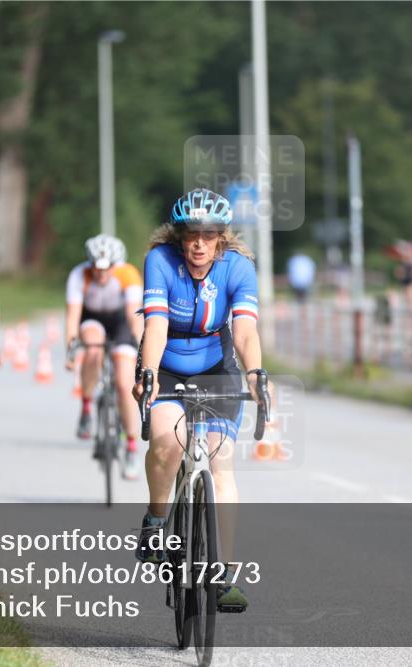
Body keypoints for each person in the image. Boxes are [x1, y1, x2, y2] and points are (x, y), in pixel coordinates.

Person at [131, 187, 268, 612]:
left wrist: (255, 373)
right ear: (179, 234)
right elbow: (155, 327)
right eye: (191, 234)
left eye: (209, 235)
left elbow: (244, 332)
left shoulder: (239, 268)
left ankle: (223, 576)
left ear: (221, 237)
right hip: (167, 362)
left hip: (216, 367)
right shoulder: (161, 261)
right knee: (169, 442)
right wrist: (149, 374)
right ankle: (156, 520)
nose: (199, 244)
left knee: (219, 456)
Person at [64, 234, 144, 479]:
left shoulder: (128, 274)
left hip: (120, 321)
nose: (100, 274)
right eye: (96, 268)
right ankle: (87, 407)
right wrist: (70, 348)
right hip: (92, 319)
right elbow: (73, 316)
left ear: (115, 265)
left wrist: (142, 347)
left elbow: (133, 315)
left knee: (123, 382)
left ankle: (131, 446)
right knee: (92, 350)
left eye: (106, 268)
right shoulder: (79, 275)